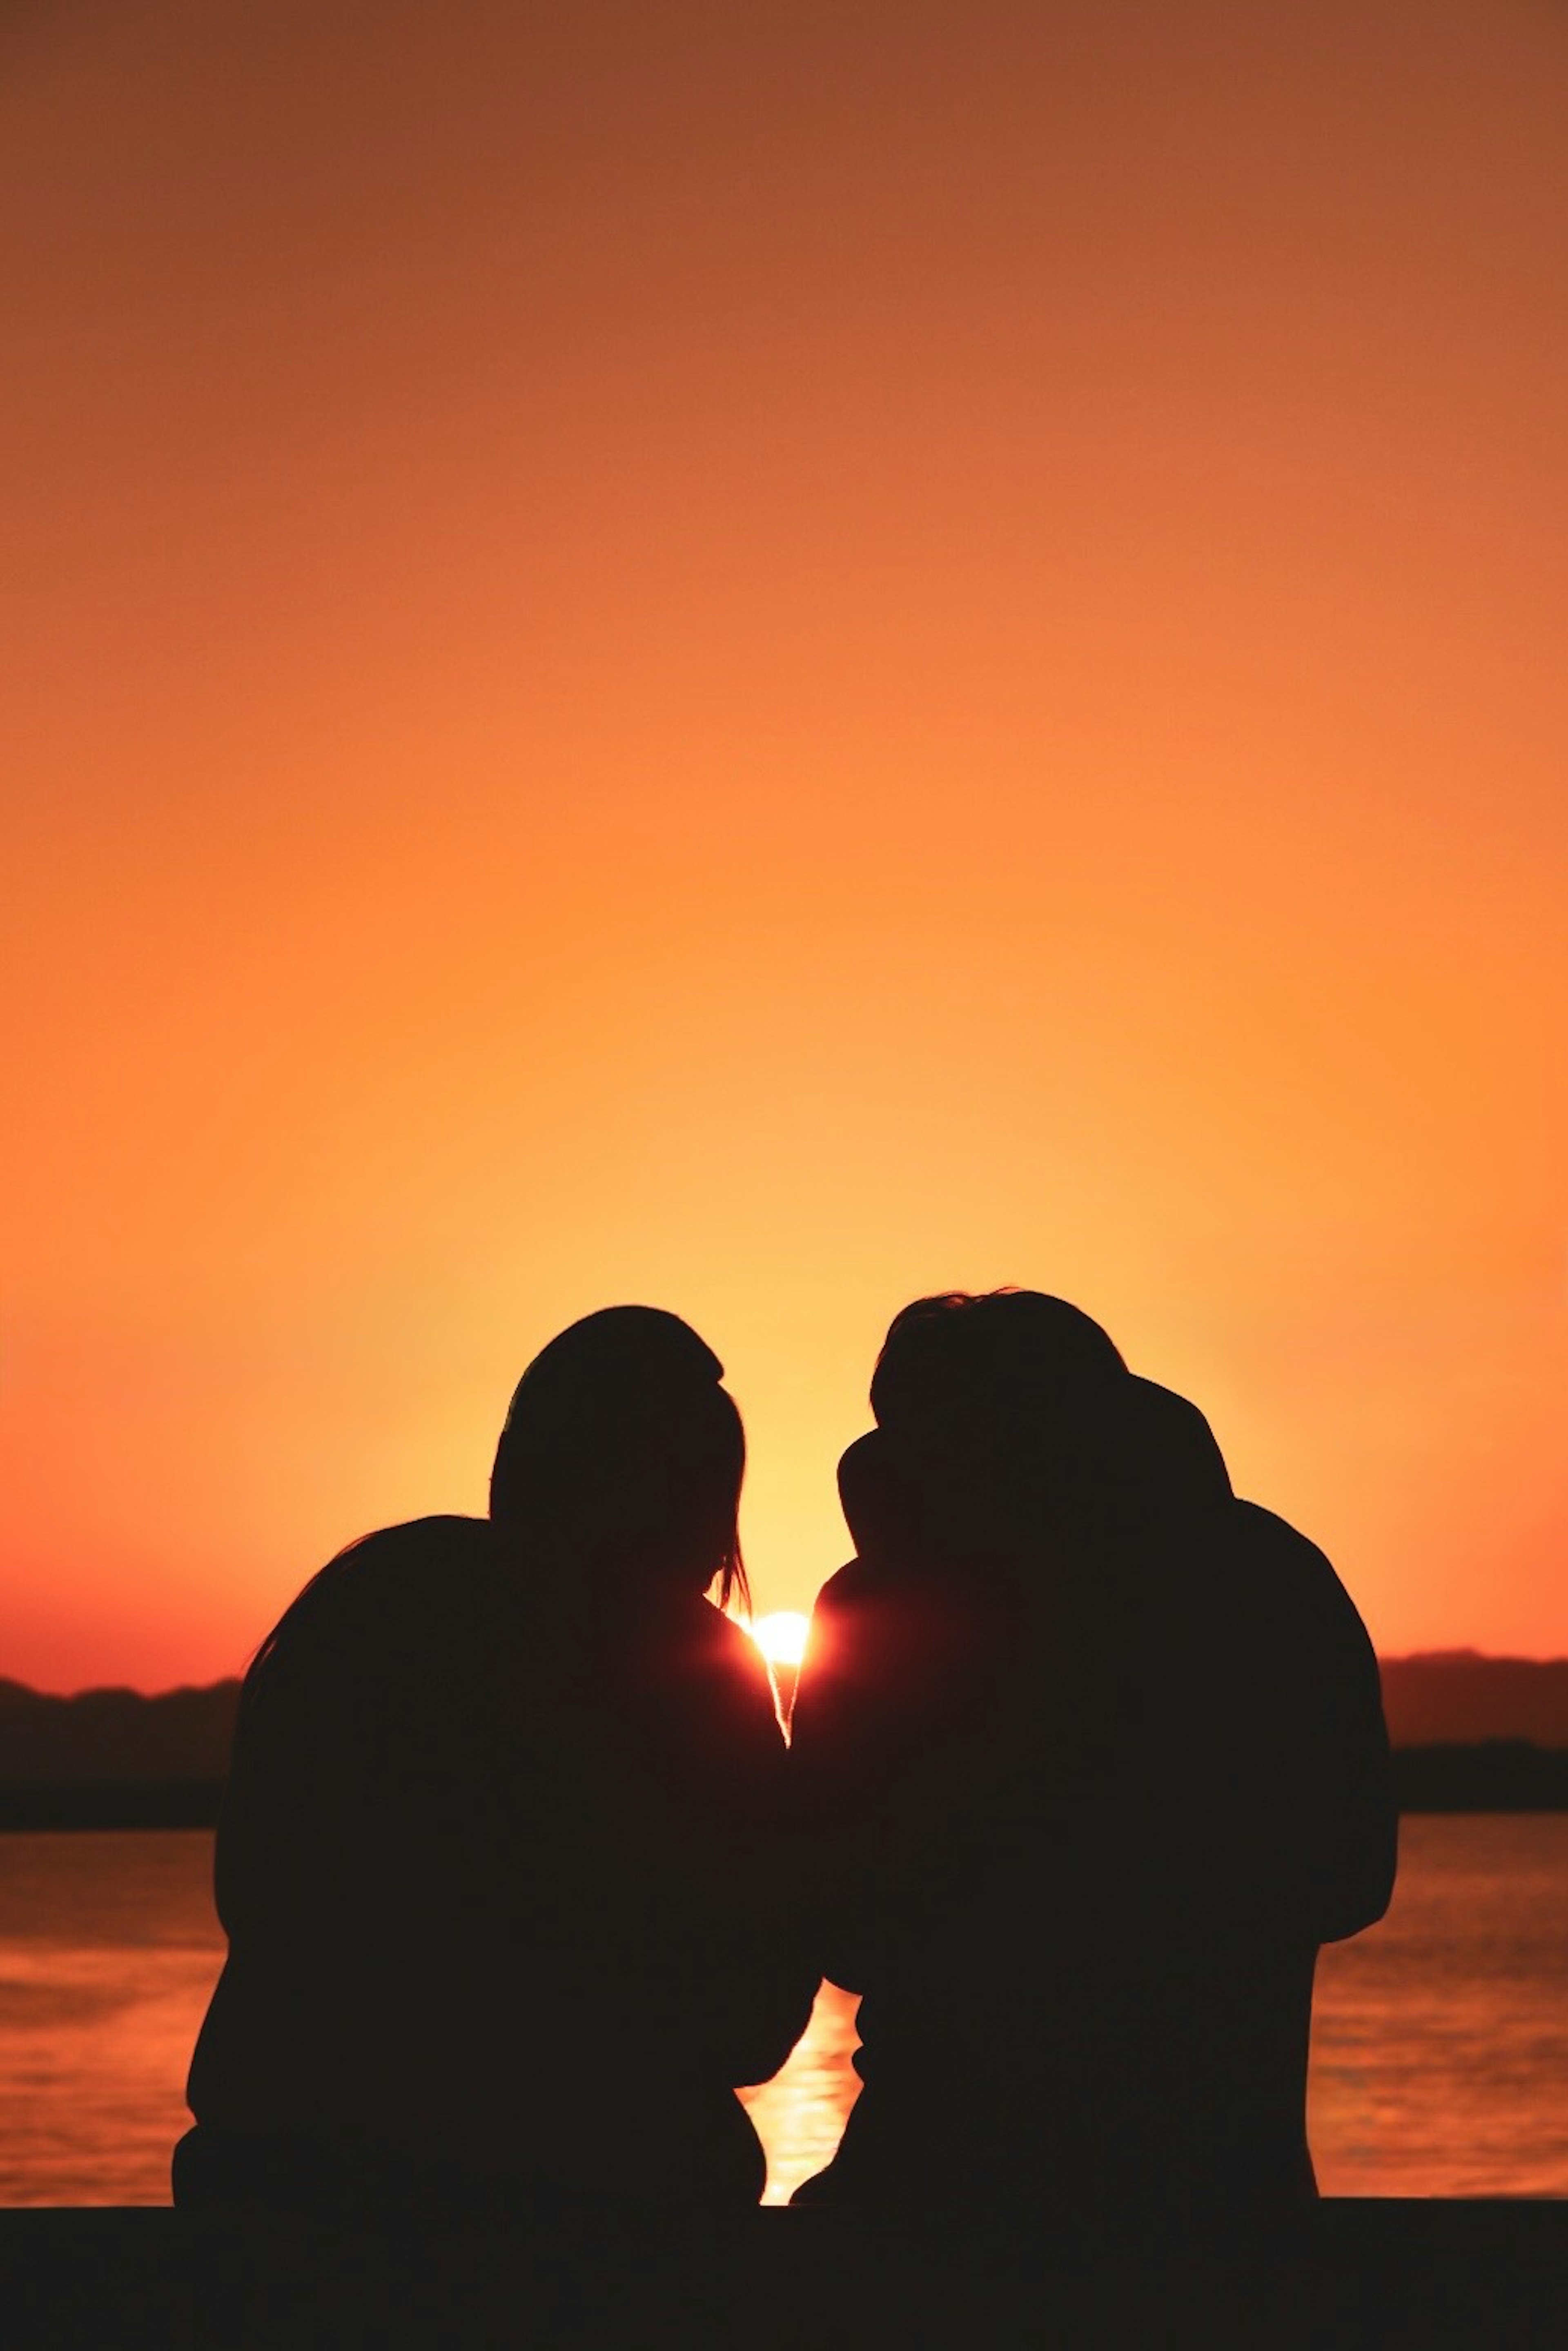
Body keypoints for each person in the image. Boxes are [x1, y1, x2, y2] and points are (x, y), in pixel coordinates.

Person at [176, 1306, 817, 2223]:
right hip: (587, 2199)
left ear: (514, 1465)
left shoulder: (365, 1601)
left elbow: (246, 1891)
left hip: (271, 2173)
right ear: (699, 1505)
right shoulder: (693, 1664)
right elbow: (751, 2024)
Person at [789, 1289, 1396, 2229]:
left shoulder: (878, 1608)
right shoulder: (1271, 1578)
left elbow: (844, 1925)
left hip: (937, 2186)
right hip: (1225, 2188)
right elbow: (1349, 1878)